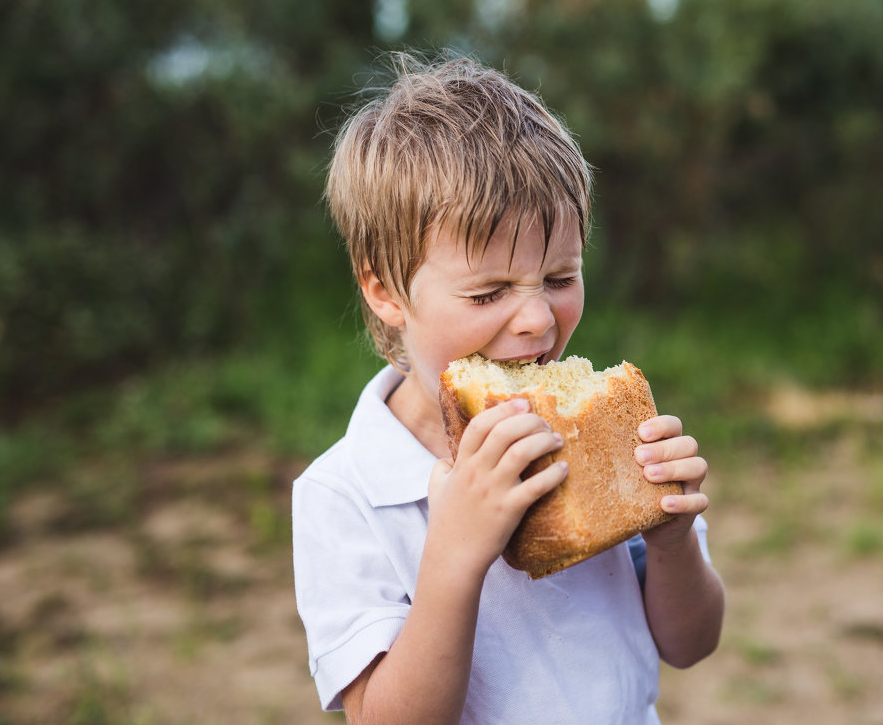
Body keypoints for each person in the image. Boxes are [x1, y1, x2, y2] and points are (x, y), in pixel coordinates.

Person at [292, 53, 725, 725]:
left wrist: (670, 541)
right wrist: (456, 554)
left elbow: (692, 643)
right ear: (383, 290)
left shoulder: (599, 440)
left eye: (559, 278)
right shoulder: (344, 496)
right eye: (488, 291)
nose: (536, 319)